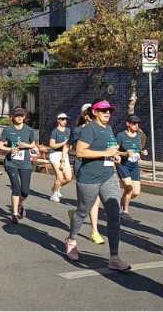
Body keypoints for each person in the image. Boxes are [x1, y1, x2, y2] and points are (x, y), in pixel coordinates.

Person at [65, 99, 130, 271]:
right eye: (103, 111)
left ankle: (114, 257)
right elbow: (79, 152)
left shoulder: (108, 129)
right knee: (83, 211)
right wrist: (105, 153)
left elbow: (110, 148)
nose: (107, 113)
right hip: (89, 178)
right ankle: (71, 239)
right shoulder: (89, 129)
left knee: (114, 214)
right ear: (94, 112)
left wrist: (116, 154)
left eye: (109, 110)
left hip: (108, 176)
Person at [67, 104, 105, 245]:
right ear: (85, 115)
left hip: (98, 168)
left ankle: (94, 231)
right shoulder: (78, 131)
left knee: (96, 200)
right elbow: (68, 146)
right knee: (88, 202)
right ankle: (78, 215)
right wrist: (62, 161)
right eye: (90, 115)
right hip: (82, 167)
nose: (92, 117)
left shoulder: (103, 130)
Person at [0, 107, 37, 224]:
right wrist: (10, 149)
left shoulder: (29, 130)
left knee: (25, 191)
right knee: (16, 188)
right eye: (17, 115)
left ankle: (20, 203)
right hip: (11, 163)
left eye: (21, 115)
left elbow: (33, 145)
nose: (19, 117)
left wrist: (26, 145)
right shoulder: (7, 130)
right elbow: (0, 146)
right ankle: (14, 214)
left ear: (24, 117)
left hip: (25, 163)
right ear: (13, 117)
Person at [115, 115, 148, 222]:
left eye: (138, 123)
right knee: (129, 188)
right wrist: (124, 153)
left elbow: (139, 148)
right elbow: (114, 151)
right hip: (123, 164)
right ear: (128, 124)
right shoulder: (121, 135)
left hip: (134, 165)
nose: (136, 125)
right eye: (134, 123)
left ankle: (123, 201)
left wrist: (143, 152)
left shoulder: (139, 135)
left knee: (136, 192)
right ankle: (125, 211)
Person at [48, 113, 72, 203]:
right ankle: (54, 194)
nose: (64, 121)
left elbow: (70, 144)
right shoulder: (55, 131)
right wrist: (63, 143)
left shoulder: (68, 130)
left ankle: (56, 187)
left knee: (68, 178)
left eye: (66, 119)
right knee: (60, 177)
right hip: (55, 154)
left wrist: (69, 146)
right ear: (58, 120)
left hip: (65, 154)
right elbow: (51, 145)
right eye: (62, 119)